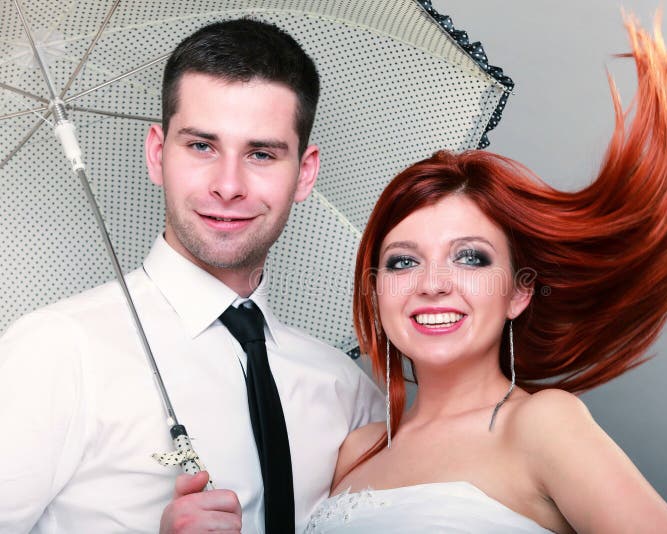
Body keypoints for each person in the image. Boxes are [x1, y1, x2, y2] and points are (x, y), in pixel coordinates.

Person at [300, 15, 667, 533]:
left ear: (520, 294)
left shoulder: (542, 424)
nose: (431, 283)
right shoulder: (356, 451)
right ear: (375, 289)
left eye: (470, 257)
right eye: (403, 261)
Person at [0, 18, 383, 534]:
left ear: (305, 172)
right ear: (158, 153)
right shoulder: (58, 351)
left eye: (261, 154)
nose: (228, 186)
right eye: (201, 146)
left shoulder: (345, 391)